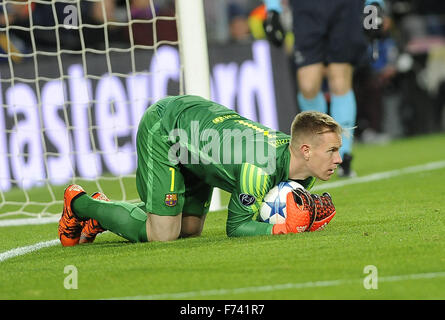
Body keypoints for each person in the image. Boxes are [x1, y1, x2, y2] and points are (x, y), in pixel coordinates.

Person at [58, 95, 341, 246]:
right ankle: (80, 203)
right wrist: (284, 230)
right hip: (168, 130)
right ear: (306, 150)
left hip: (199, 139)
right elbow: (238, 227)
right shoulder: (259, 168)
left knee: (190, 230)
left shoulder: (301, 169)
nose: (338, 159)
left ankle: (110, 214)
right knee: (164, 235)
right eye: (331, 151)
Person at [263, 0, 385, 177]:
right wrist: (272, 8)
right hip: (307, 8)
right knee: (308, 85)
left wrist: (375, 3)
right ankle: (320, 149)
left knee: (340, 79)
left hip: (346, 7)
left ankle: (343, 155)